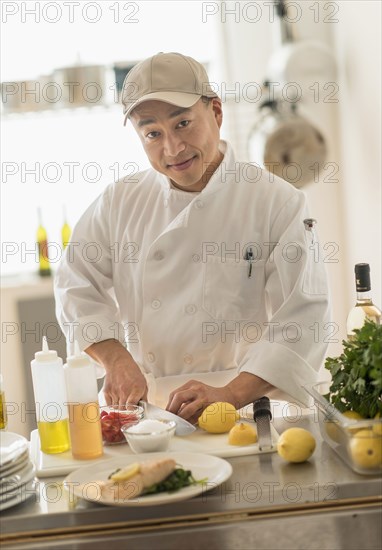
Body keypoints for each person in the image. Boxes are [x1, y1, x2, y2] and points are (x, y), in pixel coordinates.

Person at [54, 52, 331, 424]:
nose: (172, 148)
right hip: (150, 415)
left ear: (216, 112)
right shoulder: (120, 202)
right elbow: (75, 283)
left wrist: (231, 394)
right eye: (152, 133)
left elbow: (304, 318)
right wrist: (116, 359)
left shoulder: (276, 202)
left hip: (244, 411)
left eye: (183, 123)